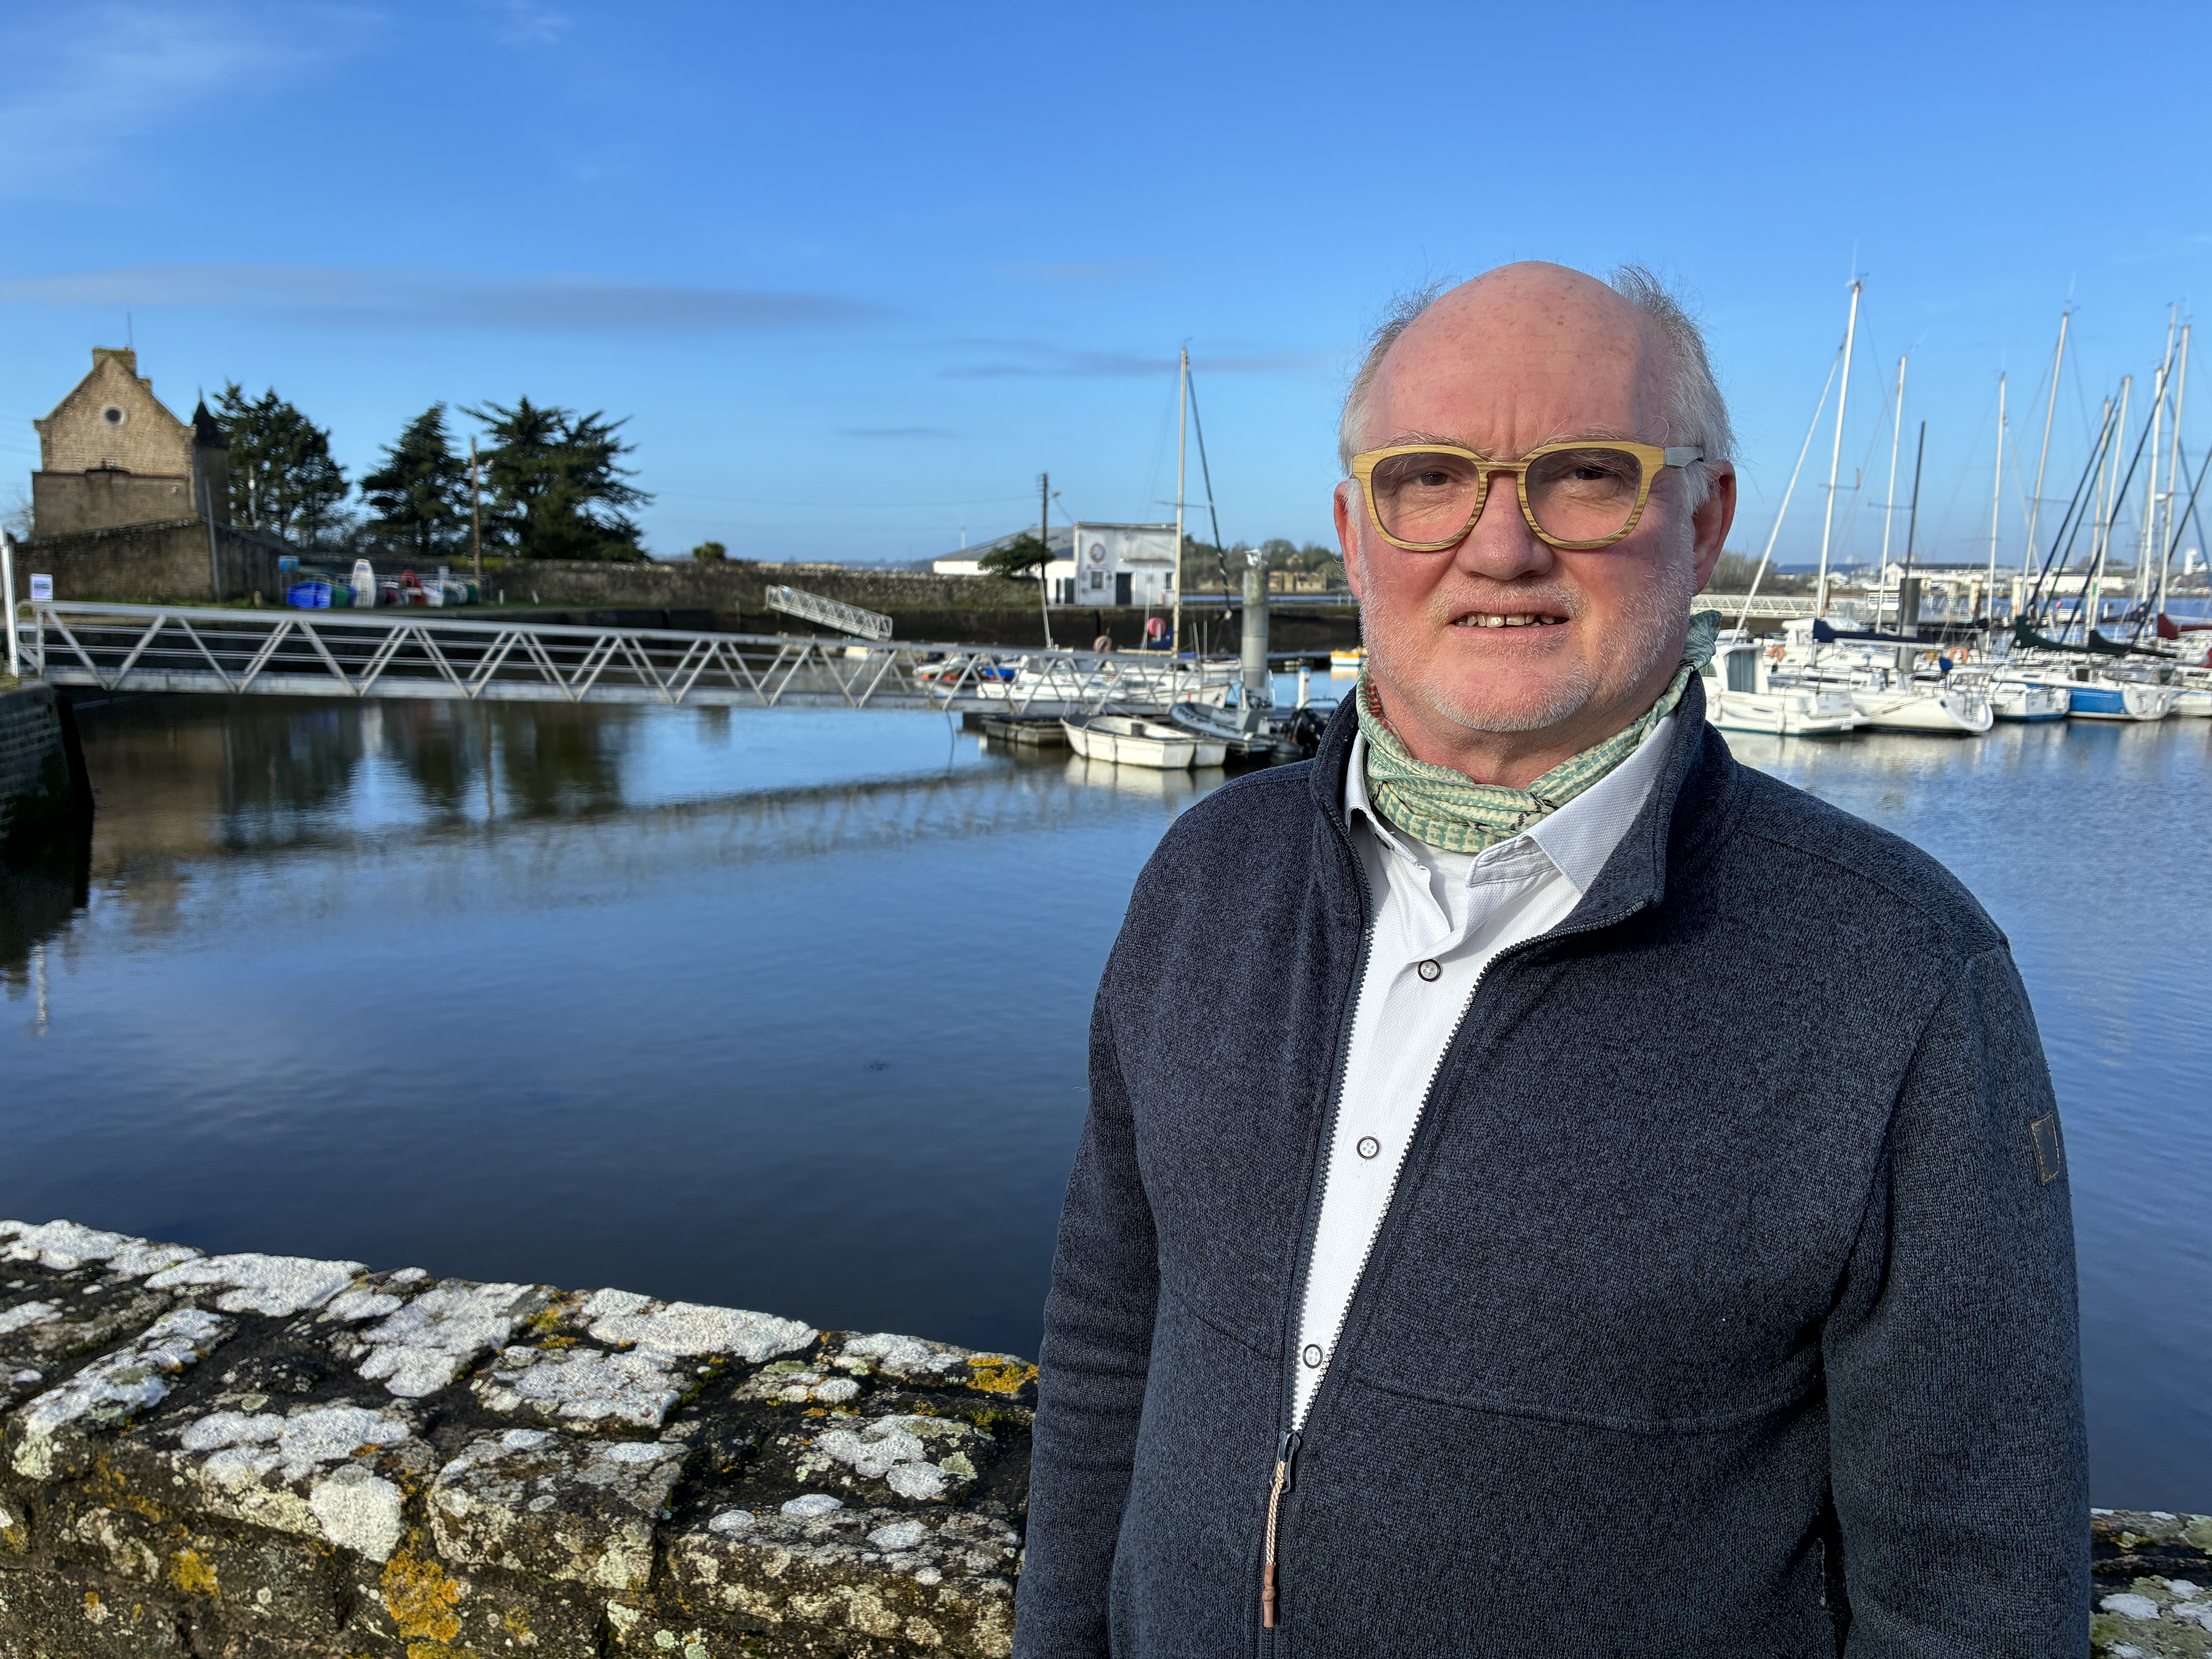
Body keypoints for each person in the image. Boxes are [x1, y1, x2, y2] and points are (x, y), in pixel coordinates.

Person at [1014, 263, 2085, 1656]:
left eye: (1587, 475)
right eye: (1429, 478)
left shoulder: (1901, 982)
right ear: (1355, 529)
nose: (1501, 544)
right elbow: (1108, 1346)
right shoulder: (1201, 882)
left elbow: (1972, 1594)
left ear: (1703, 523)